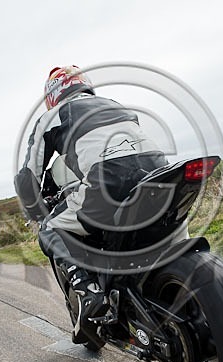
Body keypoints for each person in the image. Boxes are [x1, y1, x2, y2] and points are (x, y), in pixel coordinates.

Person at [15, 65, 167, 342]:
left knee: (49, 228)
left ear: (53, 95)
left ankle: (89, 294)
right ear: (84, 85)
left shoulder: (52, 116)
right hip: (160, 169)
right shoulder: (112, 104)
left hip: (109, 177)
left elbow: (28, 176)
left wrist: (36, 212)